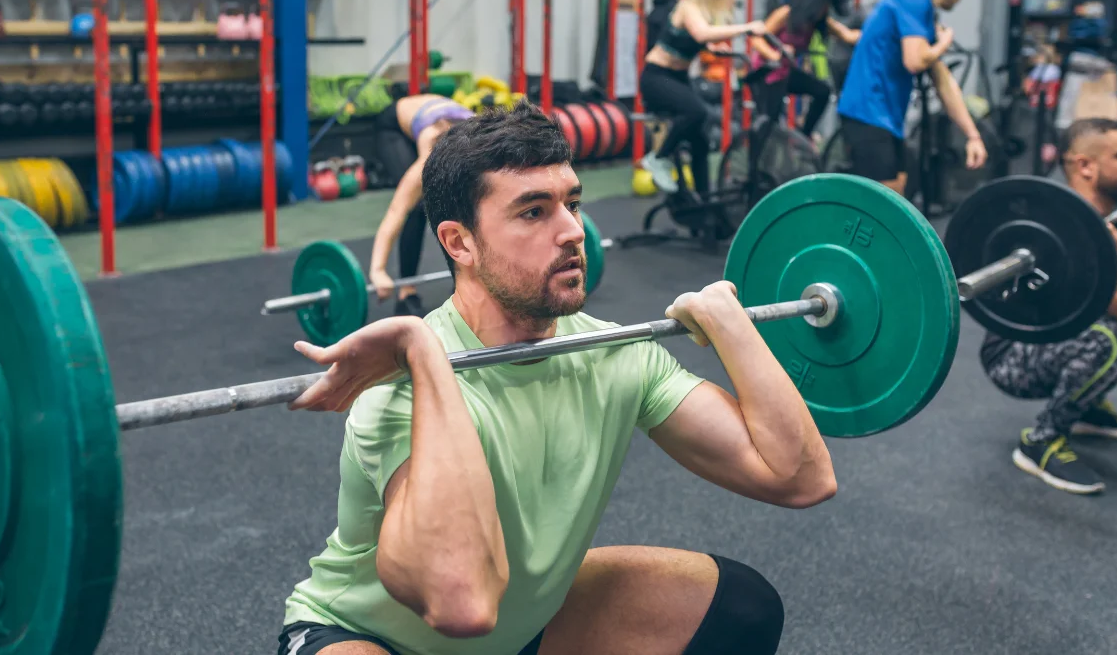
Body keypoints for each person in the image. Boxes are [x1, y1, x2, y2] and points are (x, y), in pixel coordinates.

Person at [276, 101, 837, 655]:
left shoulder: (617, 354)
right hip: (368, 637)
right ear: (459, 242)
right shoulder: (396, 393)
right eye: (533, 211)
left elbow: (799, 477)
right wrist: (422, 351)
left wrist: (729, 324)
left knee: (741, 606)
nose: (573, 230)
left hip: (517, 630)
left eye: (572, 202)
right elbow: (461, 602)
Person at [982, 118, 1117, 495]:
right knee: (1113, 339)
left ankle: (1085, 407)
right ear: (1085, 166)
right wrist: (1103, 231)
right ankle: (1041, 440)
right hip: (1012, 357)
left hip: (1060, 340)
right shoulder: (1058, 226)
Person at [835, 0, 986, 196]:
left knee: (899, 194)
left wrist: (972, 135)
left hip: (887, 118)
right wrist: (943, 44)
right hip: (867, 112)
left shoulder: (923, 11)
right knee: (885, 204)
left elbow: (943, 81)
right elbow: (915, 61)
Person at [639, 0, 770, 193]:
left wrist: (718, 49)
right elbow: (701, 33)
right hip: (657, 78)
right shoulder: (688, 7)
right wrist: (747, 28)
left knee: (701, 140)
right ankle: (658, 158)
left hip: (678, 77)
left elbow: (701, 40)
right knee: (697, 112)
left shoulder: (701, 13)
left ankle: (704, 202)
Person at [370, 93, 474, 318]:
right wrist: (378, 271)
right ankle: (407, 292)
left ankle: (464, 283)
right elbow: (396, 210)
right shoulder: (430, 150)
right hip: (395, 125)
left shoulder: (482, 144)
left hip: (437, 113)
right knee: (416, 207)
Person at [751, 0, 860, 138]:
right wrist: (774, 54)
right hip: (767, 72)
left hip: (786, 72)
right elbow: (757, 38)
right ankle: (756, 159)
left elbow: (848, 35)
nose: (825, 10)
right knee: (769, 121)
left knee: (822, 91)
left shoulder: (818, 22)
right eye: (824, 5)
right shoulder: (786, 13)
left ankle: (804, 135)